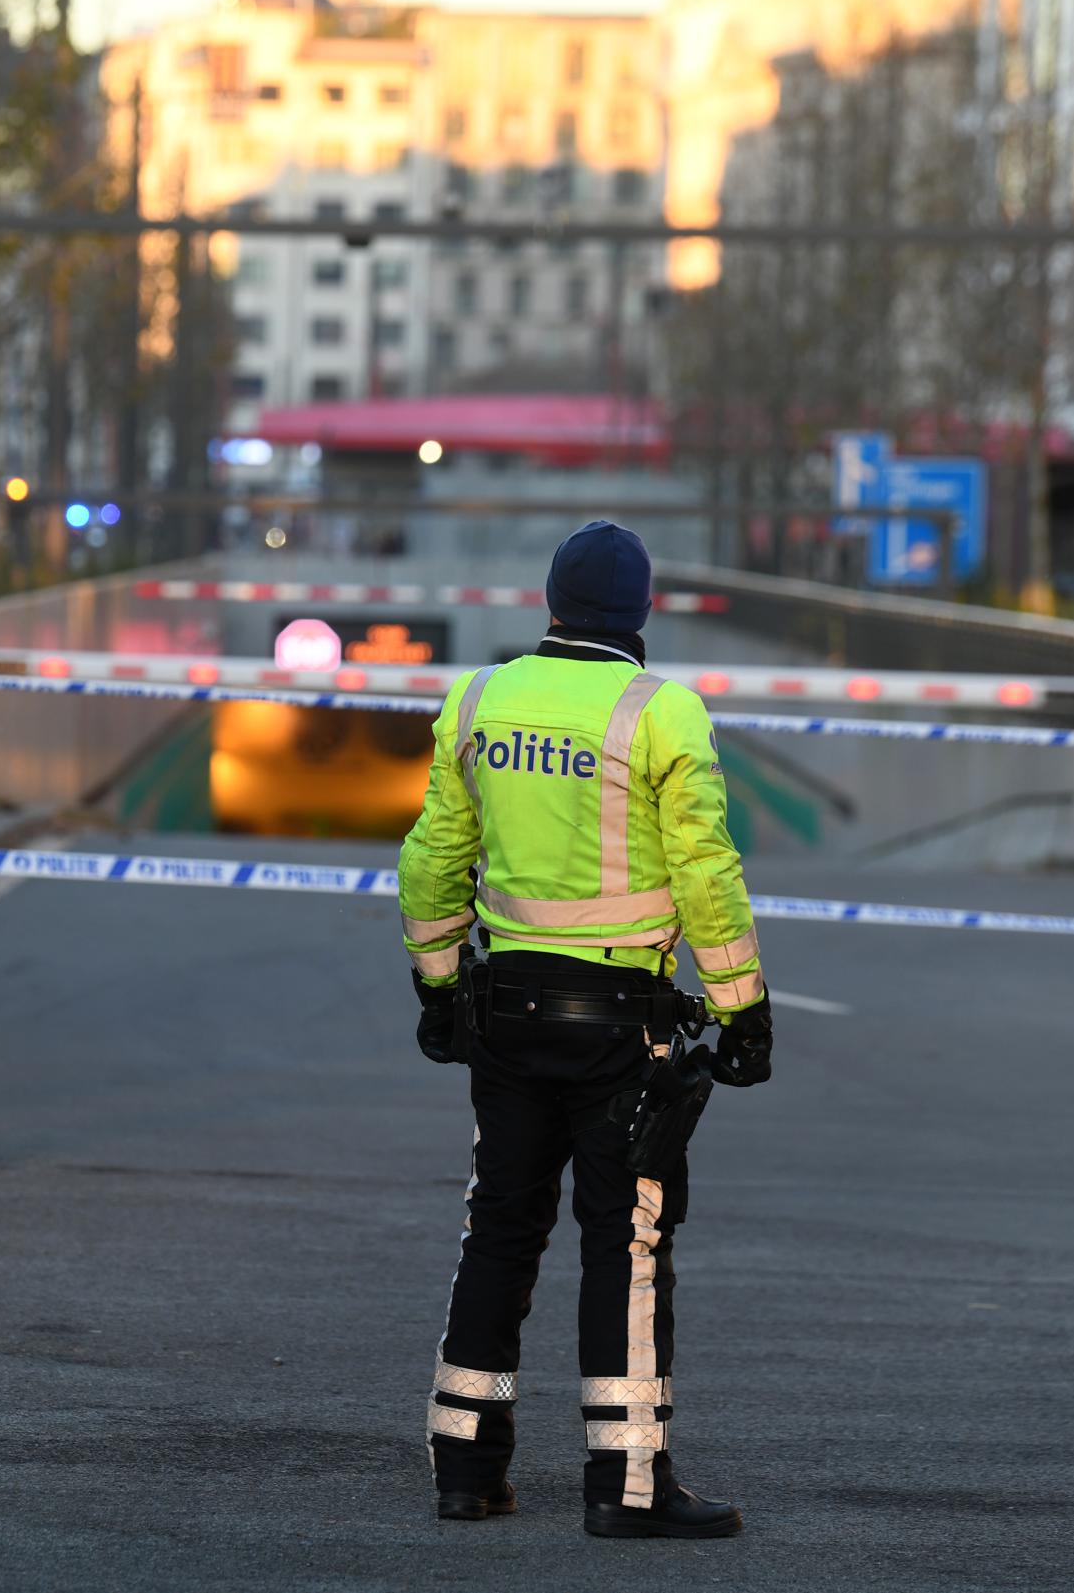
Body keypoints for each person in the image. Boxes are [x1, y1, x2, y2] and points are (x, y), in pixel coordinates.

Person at [397, 521, 774, 1539]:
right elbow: (705, 869)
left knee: (500, 1227)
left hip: (506, 1014)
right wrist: (742, 1008)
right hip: (622, 1030)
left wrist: (437, 983)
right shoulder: (661, 712)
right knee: (626, 1241)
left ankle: (464, 1467)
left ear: (551, 602)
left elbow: (433, 854)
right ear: (640, 612)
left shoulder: (479, 699)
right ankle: (629, 1483)